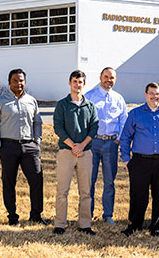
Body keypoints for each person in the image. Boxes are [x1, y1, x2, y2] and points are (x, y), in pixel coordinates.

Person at [120, 82, 159, 237]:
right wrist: (126, 159)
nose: (154, 97)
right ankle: (134, 224)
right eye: (151, 94)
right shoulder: (135, 113)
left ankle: (157, 226)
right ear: (145, 95)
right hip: (140, 161)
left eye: (157, 94)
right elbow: (125, 137)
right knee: (138, 194)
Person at [0, 69, 46, 226]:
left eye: (21, 80)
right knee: (9, 182)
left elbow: (37, 122)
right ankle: (12, 216)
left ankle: (36, 215)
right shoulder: (0, 101)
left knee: (37, 179)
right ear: (9, 82)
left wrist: (37, 142)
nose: (18, 83)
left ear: (24, 82)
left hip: (29, 146)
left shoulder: (31, 100)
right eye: (15, 80)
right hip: (8, 146)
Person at [53, 70, 99, 235]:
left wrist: (82, 145)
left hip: (85, 153)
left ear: (84, 84)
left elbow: (94, 127)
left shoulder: (90, 106)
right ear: (70, 83)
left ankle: (85, 225)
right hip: (66, 151)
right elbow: (58, 127)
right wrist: (73, 145)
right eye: (74, 81)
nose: (77, 85)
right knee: (62, 190)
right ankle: (59, 224)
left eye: (80, 82)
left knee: (86, 191)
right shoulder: (62, 104)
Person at [85, 67, 128, 225]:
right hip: (93, 143)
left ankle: (108, 215)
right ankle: (87, 214)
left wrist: (118, 139)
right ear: (100, 77)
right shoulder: (90, 96)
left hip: (111, 143)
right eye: (106, 77)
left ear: (115, 80)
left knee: (109, 181)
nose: (108, 80)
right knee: (90, 180)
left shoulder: (118, 98)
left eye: (111, 78)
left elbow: (124, 120)